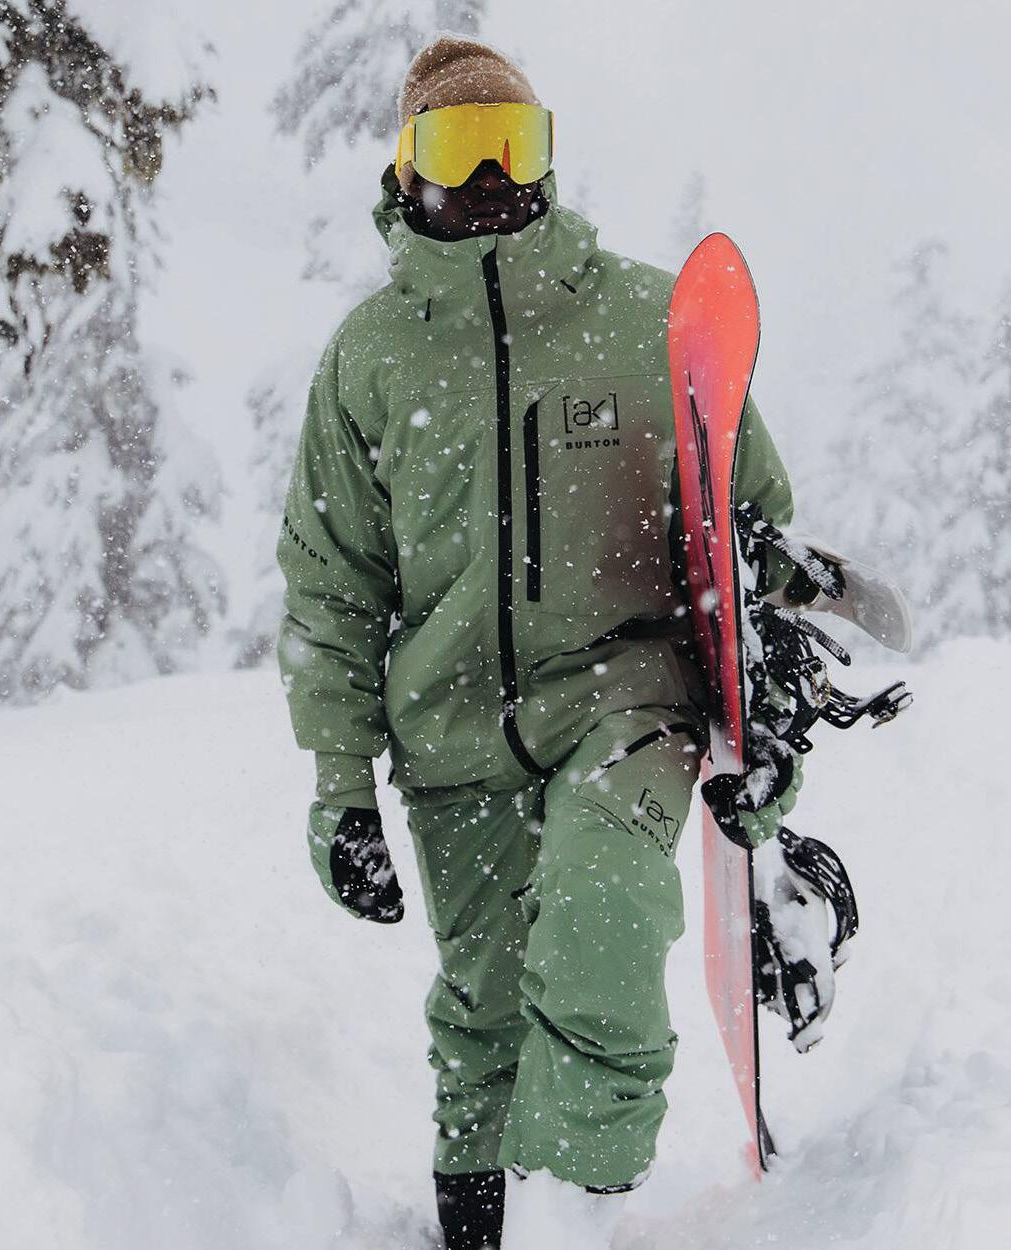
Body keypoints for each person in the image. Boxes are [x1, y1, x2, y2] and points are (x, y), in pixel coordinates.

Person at [277, 35, 798, 1250]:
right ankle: (476, 1223)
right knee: (487, 1008)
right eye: (460, 146)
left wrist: (769, 721)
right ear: (405, 169)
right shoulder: (371, 357)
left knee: (599, 908)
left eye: (515, 144)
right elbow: (330, 588)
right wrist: (340, 787)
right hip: (452, 735)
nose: (492, 175)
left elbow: (751, 537)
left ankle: (574, 1211)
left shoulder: (640, 318)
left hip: (623, 700)